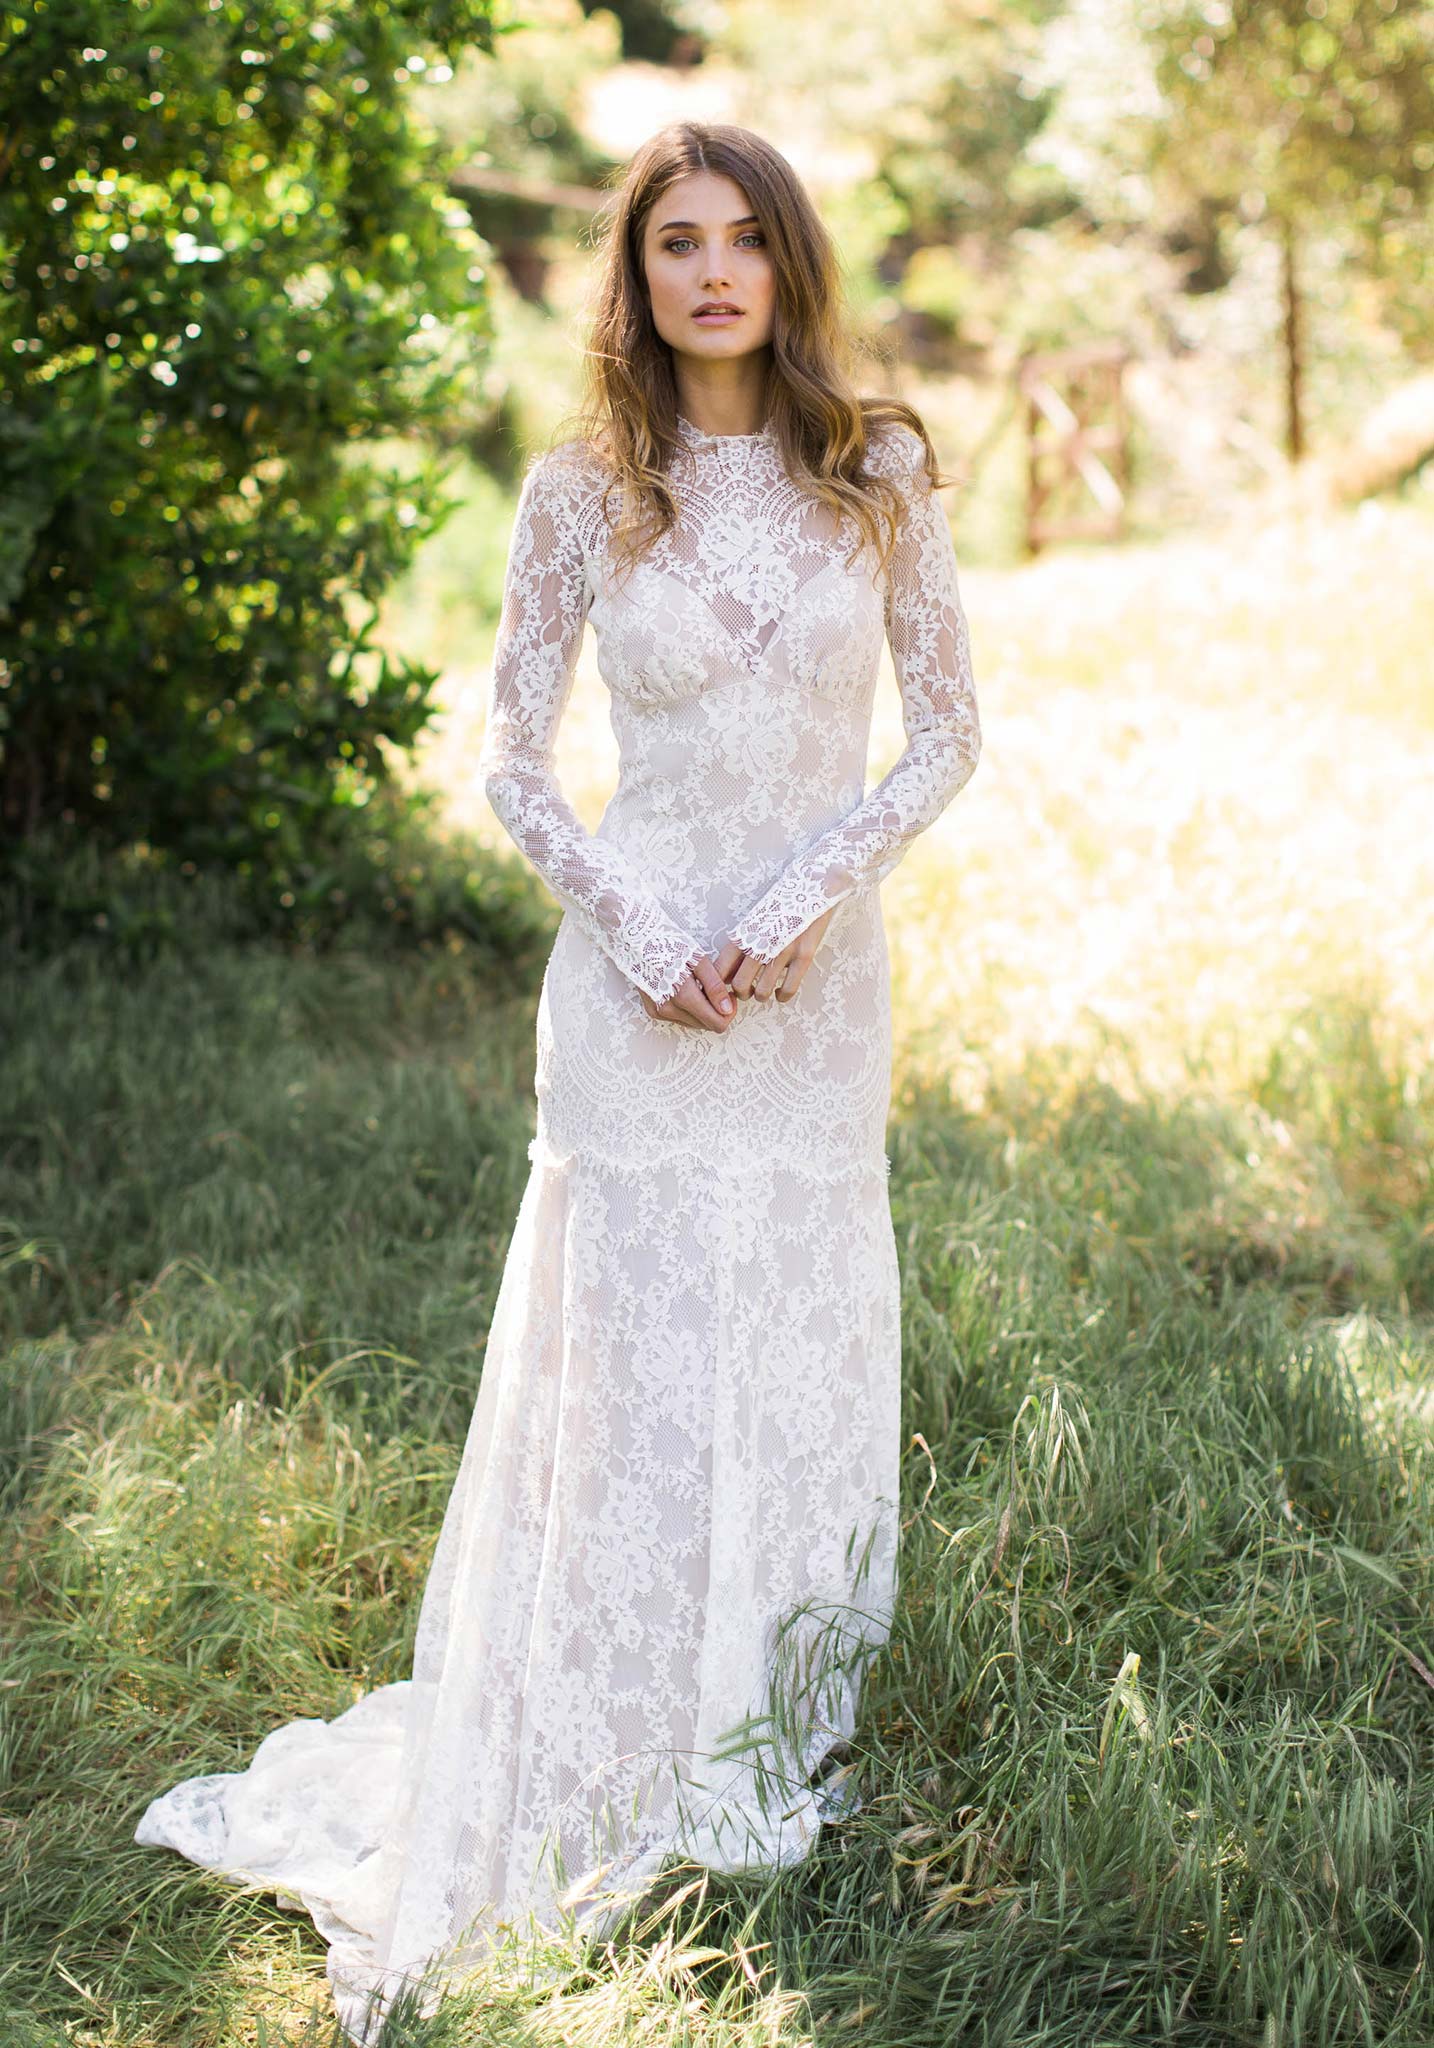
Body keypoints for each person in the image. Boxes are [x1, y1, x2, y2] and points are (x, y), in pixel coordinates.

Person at [132, 118, 982, 2043]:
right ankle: (596, 1717)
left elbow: (942, 737)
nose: (709, 274)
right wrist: (638, 927)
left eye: (740, 240)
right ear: (634, 275)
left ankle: (763, 1712)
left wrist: (795, 899)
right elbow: (513, 760)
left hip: (809, 988)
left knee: (792, 1330)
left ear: (787, 268)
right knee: (638, 1353)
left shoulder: (881, 474)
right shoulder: (579, 492)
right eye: (674, 241)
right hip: (630, 997)